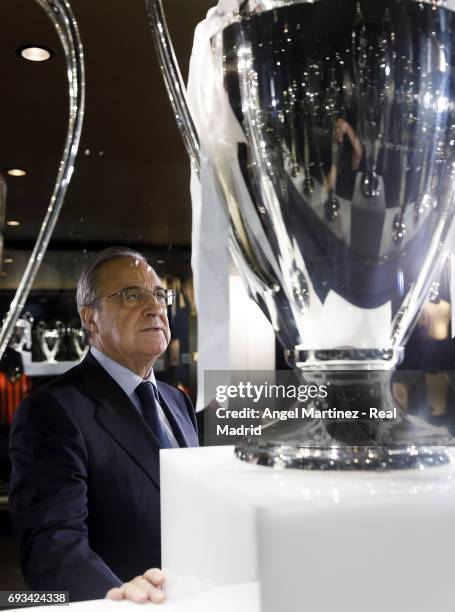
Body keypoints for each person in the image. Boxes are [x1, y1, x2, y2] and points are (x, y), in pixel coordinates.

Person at [8, 247, 199, 603]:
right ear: (90, 319)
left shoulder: (177, 402)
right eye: (132, 295)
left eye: (159, 295)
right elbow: (51, 544)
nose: (156, 307)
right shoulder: (52, 410)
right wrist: (116, 596)